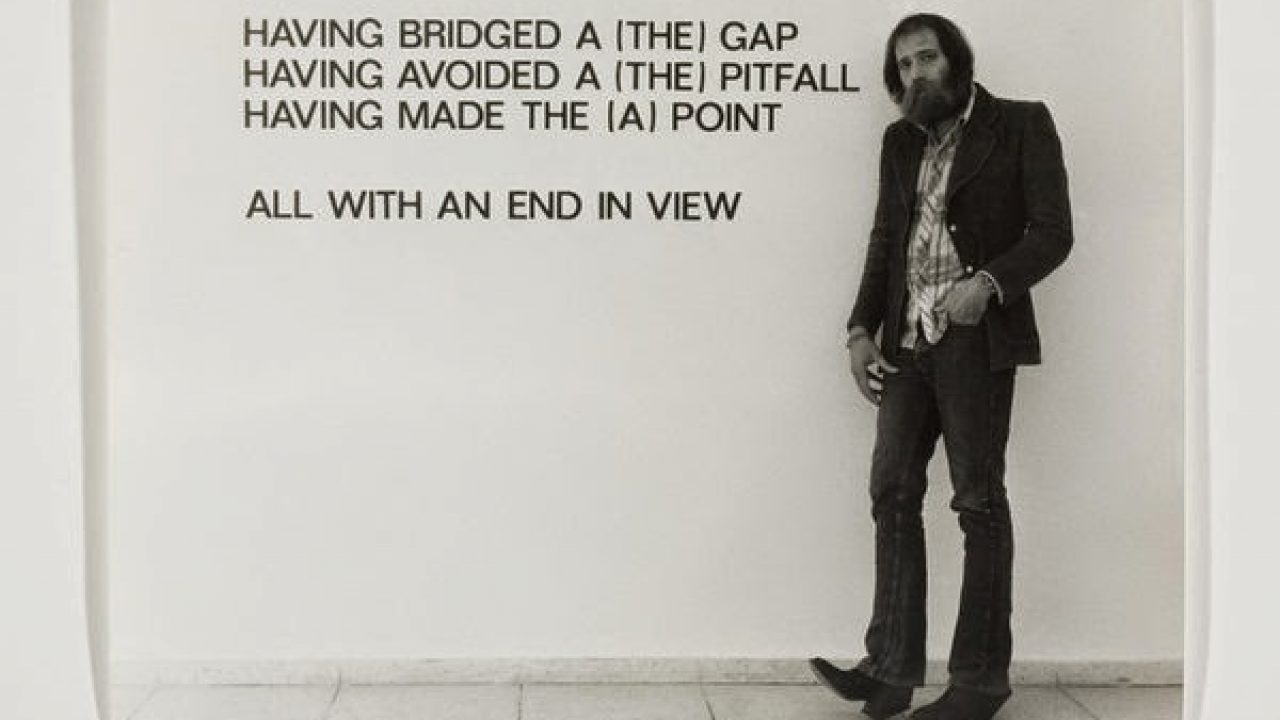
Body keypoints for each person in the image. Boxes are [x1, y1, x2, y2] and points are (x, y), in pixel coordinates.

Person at [808, 13, 1072, 720]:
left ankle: (979, 682)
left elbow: (1053, 232)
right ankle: (890, 671)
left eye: (927, 58)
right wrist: (859, 329)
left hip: (975, 342)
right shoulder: (899, 142)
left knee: (977, 502)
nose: (916, 73)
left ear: (956, 59)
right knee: (891, 492)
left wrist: (988, 284)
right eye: (904, 64)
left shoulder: (1021, 124)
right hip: (905, 343)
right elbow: (885, 239)